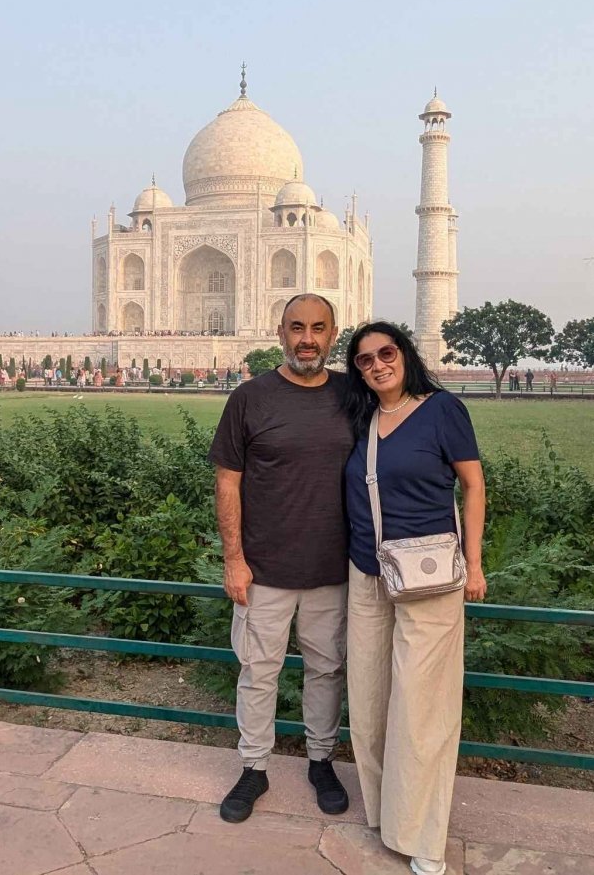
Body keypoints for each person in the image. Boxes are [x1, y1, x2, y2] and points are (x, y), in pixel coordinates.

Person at [342, 321, 487, 874]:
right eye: (365, 359)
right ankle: (385, 813)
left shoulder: (441, 410)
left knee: (422, 707)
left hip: (428, 578)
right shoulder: (363, 418)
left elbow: (473, 485)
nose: (378, 364)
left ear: (404, 354)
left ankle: (424, 836)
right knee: (372, 699)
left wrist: (474, 564)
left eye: (386, 352)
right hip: (368, 574)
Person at [208, 293, 352, 824]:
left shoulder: (352, 396)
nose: (307, 338)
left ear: (333, 335)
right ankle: (254, 767)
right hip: (264, 568)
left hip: (333, 568)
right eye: (297, 327)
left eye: (317, 328)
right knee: (258, 671)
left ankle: (320, 761)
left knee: (326, 670)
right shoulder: (251, 398)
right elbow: (228, 481)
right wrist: (233, 559)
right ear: (280, 331)